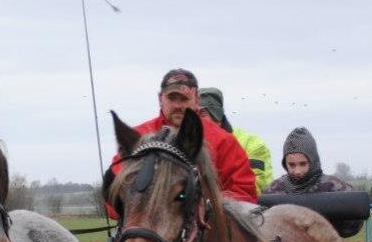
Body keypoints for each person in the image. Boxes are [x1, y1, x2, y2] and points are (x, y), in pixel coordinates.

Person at [103, 69, 257, 213]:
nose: (178, 105)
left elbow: (244, 192)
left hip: (207, 232)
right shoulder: (137, 138)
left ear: (196, 100)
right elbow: (115, 194)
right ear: (160, 99)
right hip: (144, 227)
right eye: (172, 98)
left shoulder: (223, 140)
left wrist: (201, 206)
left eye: (184, 99)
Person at [262, 126, 363, 237]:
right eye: (291, 165)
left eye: (303, 164)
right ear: (284, 163)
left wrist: (329, 220)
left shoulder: (335, 187)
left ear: (313, 161)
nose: (297, 171)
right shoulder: (273, 190)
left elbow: (353, 227)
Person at [198, 87, 273, 195]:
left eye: (202, 114)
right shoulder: (189, 145)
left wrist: (211, 199)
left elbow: (254, 189)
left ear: (217, 115)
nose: (196, 120)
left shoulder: (253, 144)